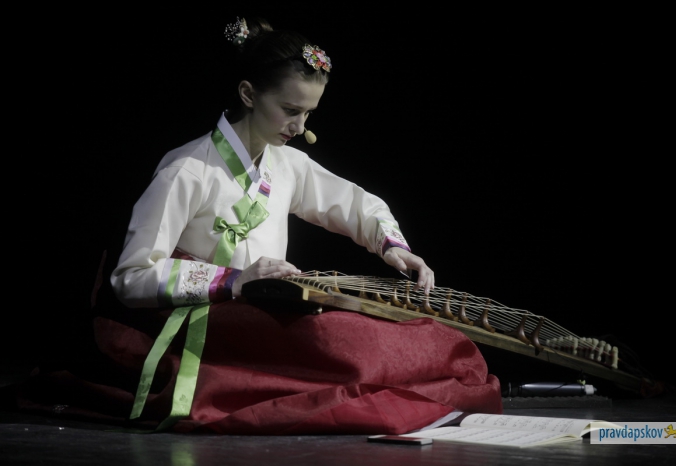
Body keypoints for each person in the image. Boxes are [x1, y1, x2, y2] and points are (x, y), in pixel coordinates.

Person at [17, 16, 502, 434]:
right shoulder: (188, 170)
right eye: (290, 110)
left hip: (264, 317)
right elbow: (131, 275)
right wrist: (233, 280)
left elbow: (353, 202)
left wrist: (390, 245)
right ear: (248, 93)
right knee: (356, 351)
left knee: (402, 338)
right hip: (208, 323)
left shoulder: (282, 163)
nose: (300, 127)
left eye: (307, 113)